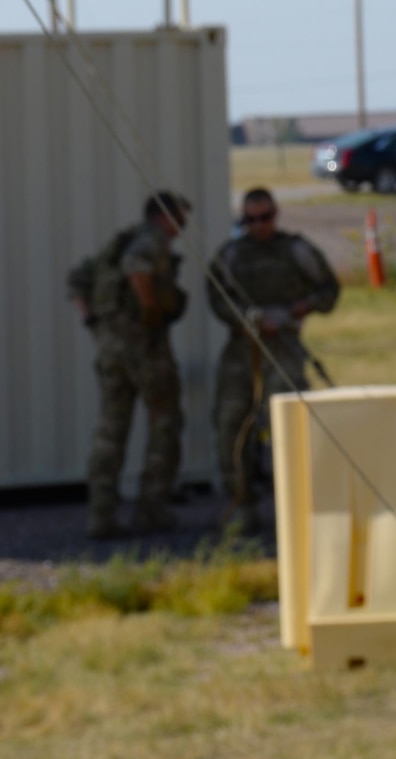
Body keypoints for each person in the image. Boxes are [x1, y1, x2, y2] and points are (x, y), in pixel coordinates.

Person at [207, 188, 341, 528]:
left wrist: (303, 306)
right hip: (241, 353)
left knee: (289, 428)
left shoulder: (296, 250)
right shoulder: (231, 255)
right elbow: (216, 296)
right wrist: (248, 318)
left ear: (276, 214)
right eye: (251, 220)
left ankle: (297, 507)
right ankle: (242, 504)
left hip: (283, 349)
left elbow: (329, 290)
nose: (259, 226)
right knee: (231, 426)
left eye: (265, 217)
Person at [66, 190, 191, 538]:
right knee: (165, 422)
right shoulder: (149, 243)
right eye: (179, 220)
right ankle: (151, 511)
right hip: (145, 348)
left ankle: (101, 515)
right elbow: (138, 268)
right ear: (163, 218)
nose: (181, 229)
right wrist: (150, 310)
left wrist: (93, 323)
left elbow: (77, 280)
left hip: (110, 350)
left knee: (110, 430)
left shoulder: (116, 245)